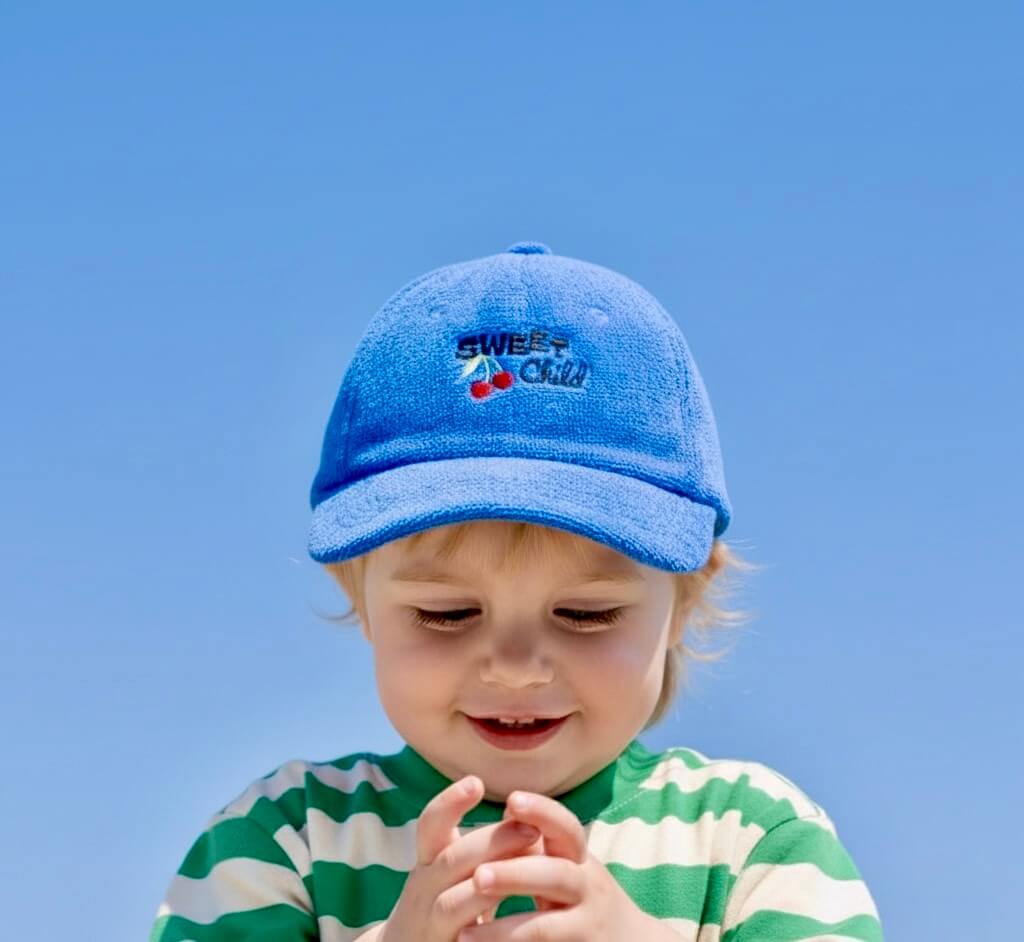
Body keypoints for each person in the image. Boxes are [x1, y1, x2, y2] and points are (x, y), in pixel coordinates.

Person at [149, 241, 884, 941]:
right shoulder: (285, 841)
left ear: (683, 604)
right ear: (361, 598)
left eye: (587, 614)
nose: (515, 668)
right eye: (446, 614)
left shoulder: (753, 839)